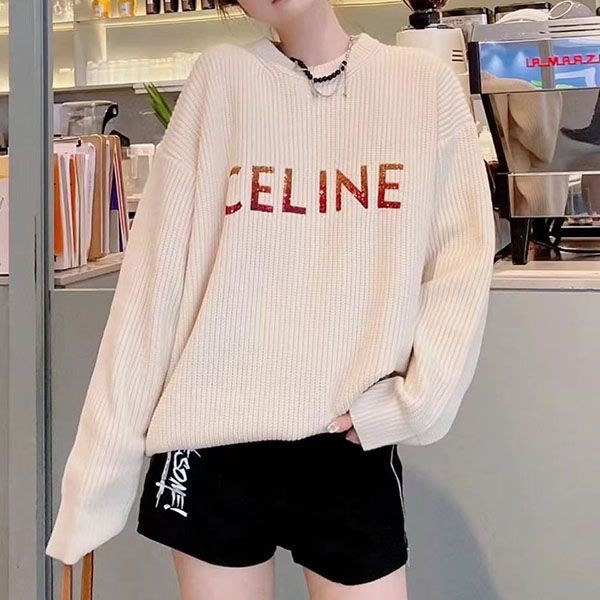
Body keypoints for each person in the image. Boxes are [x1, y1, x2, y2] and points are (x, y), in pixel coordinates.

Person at [45, 0, 496, 598]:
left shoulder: (421, 86)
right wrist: (96, 480)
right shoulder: (220, 82)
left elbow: (460, 267)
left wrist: (415, 404)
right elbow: (152, 284)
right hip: (211, 441)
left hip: (346, 438)